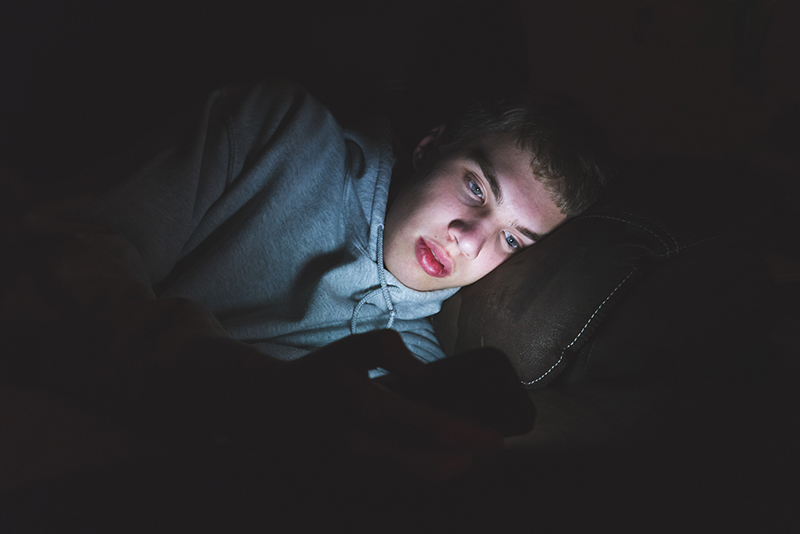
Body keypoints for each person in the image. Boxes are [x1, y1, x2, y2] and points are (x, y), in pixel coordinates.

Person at [11, 79, 610, 483]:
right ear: (430, 147)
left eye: (511, 239)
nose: (468, 237)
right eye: (476, 187)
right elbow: (61, 249)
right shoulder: (279, 133)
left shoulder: (418, 361)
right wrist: (225, 379)